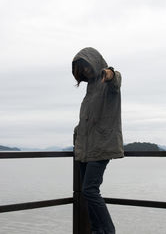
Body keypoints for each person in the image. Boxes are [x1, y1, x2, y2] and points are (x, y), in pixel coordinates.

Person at [72, 47, 124, 234]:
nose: (85, 71)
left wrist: (109, 74)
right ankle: (96, 231)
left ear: (94, 61)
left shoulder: (108, 77)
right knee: (88, 193)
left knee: (90, 190)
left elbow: (114, 80)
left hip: (101, 145)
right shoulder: (90, 87)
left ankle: (108, 231)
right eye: (81, 69)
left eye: (86, 66)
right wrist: (78, 131)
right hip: (85, 148)